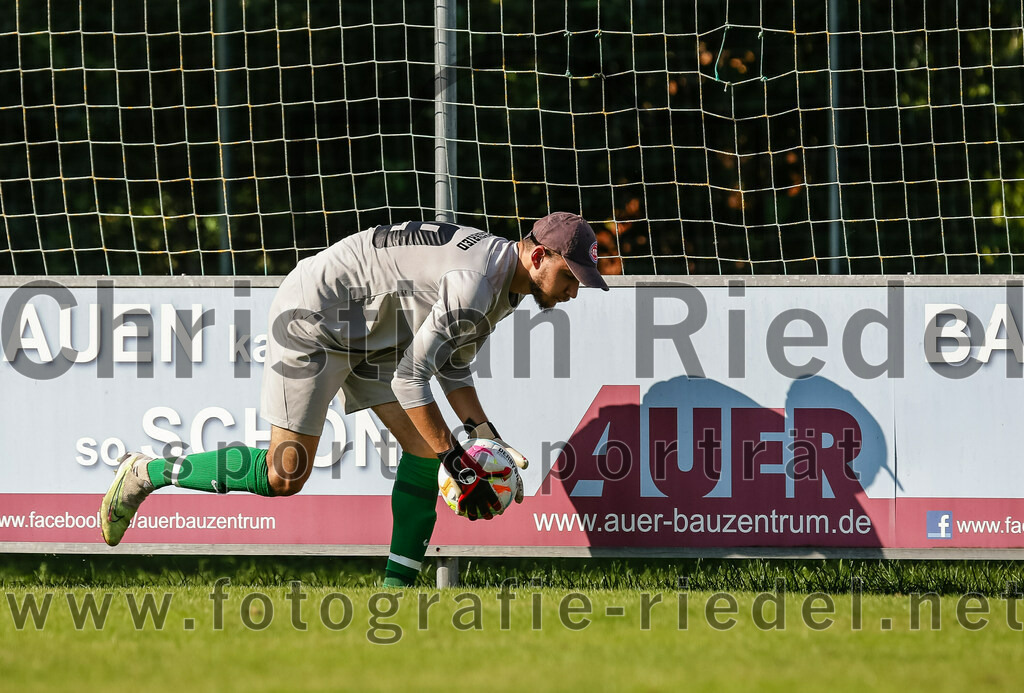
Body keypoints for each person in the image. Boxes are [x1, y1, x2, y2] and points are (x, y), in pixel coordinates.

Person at [99, 212, 609, 586]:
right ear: (538, 255)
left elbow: (452, 364)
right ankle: (147, 472)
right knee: (285, 476)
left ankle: (395, 600)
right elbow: (413, 381)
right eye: (570, 278)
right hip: (315, 316)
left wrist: (484, 436)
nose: (573, 292)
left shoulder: (507, 281)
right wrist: (457, 461)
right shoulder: (479, 283)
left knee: (419, 452)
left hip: (373, 332)